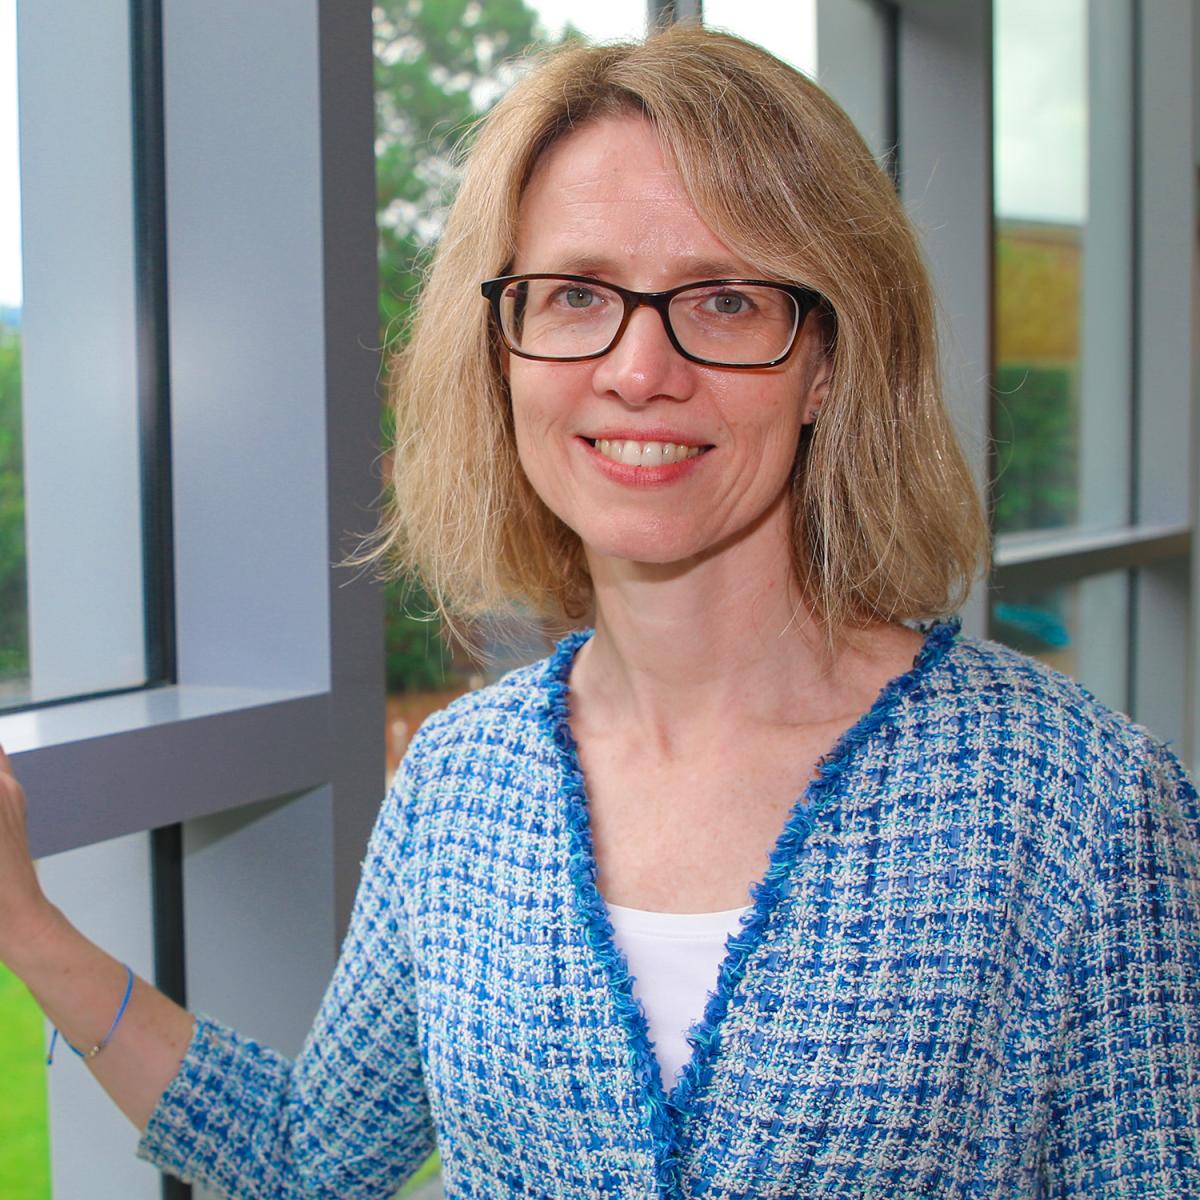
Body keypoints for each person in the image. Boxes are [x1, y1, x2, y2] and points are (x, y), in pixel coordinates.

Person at [1, 22, 1198, 1200]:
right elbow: (311, 1155)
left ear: (828, 360)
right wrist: (29, 924)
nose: (638, 368)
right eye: (576, 294)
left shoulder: (1074, 802)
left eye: (725, 300)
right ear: (505, 349)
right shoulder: (460, 786)